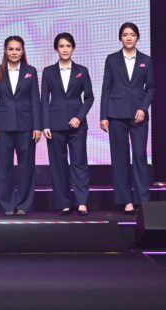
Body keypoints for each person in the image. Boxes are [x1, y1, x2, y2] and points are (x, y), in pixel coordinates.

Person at [102, 22, 155, 213]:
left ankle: (142, 199)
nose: (129, 38)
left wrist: (143, 108)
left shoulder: (146, 60)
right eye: (125, 35)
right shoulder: (112, 59)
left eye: (132, 34)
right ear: (120, 38)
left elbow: (151, 88)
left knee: (139, 156)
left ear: (137, 37)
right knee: (120, 158)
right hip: (116, 114)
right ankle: (126, 200)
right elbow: (106, 88)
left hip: (139, 116)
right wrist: (103, 116)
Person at [0, 35, 42, 216]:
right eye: (11, 49)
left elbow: (35, 100)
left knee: (26, 167)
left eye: (18, 49)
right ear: (5, 51)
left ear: (23, 51)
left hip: (26, 125)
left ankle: (24, 204)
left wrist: (37, 126)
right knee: (4, 167)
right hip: (2, 126)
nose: (14, 52)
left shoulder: (31, 71)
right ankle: (7, 205)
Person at [41, 32, 94, 216]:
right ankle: (64, 202)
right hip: (55, 124)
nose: (65, 49)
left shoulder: (82, 70)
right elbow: (44, 100)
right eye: (61, 46)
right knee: (58, 165)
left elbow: (89, 98)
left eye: (68, 46)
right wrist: (45, 125)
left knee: (79, 162)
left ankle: (82, 202)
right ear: (56, 48)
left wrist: (79, 117)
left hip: (77, 124)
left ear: (73, 48)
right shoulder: (48, 71)